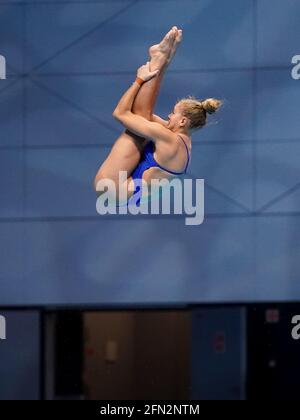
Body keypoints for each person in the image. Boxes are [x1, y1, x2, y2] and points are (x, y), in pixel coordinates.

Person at [94, 27, 222, 206]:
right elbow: (146, 114)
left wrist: (139, 80)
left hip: (111, 188)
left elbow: (120, 113)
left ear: (183, 121)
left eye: (173, 113)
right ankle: (160, 58)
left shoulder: (167, 138)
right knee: (143, 117)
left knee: (139, 120)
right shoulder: (183, 142)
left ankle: (159, 59)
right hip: (129, 194)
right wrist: (166, 62)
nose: (169, 116)